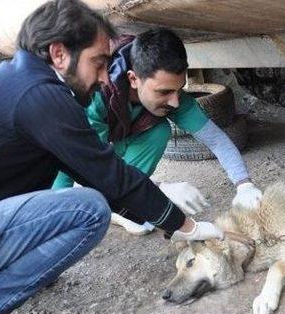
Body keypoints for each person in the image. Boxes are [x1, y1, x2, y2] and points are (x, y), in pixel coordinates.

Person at [0, 0, 222, 314]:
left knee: (59, 203)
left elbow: (98, 177)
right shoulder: (39, 98)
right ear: (59, 54)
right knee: (87, 211)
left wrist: (156, 216)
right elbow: (110, 177)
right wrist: (186, 226)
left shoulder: (21, 86)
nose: (106, 77)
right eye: (98, 62)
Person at [52, 29, 263, 235]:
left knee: (159, 130)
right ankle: (97, 205)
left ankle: (123, 203)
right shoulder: (94, 94)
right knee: (60, 212)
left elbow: (216, 140)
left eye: (179, 89)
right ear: (133, 79)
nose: (175, 101)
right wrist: (160, 188)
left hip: (117, 135)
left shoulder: (175, 99)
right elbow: (85, 164)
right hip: (63, 149)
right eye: (164, 92)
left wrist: (244, 185)